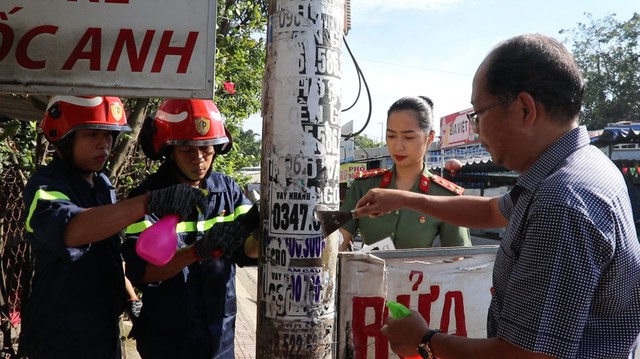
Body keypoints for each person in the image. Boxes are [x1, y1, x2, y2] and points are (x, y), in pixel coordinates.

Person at [353, 34, 640, 358]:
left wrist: (425, 341)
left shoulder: (561, 200)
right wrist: (404, 199)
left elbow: (527, 355)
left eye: (479, 114)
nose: (476, 129)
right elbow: (492, 211)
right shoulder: (575, 168)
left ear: (524, 109)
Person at [21, 96, 208, 358]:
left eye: (109, 135)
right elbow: (72, 229)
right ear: (63, 137)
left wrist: (131, 299)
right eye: (92, 134)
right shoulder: (45, 186)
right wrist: (148, 202)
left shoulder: (102, 186)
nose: (104, 144)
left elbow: (111, 255)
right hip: (60, 338)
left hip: (103, 332)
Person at [121, 98, 260, 359]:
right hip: (169, 342)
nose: (199, 158)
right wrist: (197, 251)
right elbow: (145, 272)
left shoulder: (228, 190)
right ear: (168, 150)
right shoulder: (146, 199)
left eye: (206, 147)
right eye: (186, 149)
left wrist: (263, 227)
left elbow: (248, 252)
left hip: (220, 339)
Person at [339, 96, 471, 251]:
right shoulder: (364, 187)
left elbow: (458, 259)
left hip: (420, 275)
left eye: (408, 137)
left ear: (429, 138)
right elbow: (339, 239)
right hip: (366, 274)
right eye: (391, 136)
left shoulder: (447, 196)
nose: (398, 146)